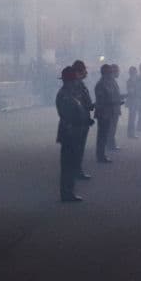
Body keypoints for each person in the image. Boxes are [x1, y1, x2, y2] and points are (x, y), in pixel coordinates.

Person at [56, 66, 91, 202]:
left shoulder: (70, 93)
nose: (77, 82)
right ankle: (66, 192)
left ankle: (69, 191)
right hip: (69, 132)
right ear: (70, 81)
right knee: (68, 165)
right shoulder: (65, 95)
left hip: (74, 130)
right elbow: (68, 115)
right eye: (75, 80)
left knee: (70, 163)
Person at [70, 60, 94, 179]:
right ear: (80, 71)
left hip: (83, 119)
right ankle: (76, 171)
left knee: (79, 148)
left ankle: (77, 170)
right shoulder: (76, 85)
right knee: (77, 148)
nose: (87, 72)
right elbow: (78, 104)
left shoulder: (79, 84)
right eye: (85, 70)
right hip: (79, 121)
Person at [93, 64, 118, 164]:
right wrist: (113, 102)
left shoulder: (106, 83)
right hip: (103, 112)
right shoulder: (101, 84)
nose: (112, 74)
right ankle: (100, 155)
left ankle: (102, 154)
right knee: (102, 136)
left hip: (107, 111)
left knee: (104, 134)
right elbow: (102, 100)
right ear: (106, 73)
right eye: (110, 72)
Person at [108, 64, 123, 151]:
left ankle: (111, 144)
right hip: (112, 109)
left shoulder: (112, 81)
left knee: (112, 128)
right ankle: (110, 145)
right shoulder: (110, 82)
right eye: (118, 71)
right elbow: (111, 96)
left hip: (114, 107)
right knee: (111, 128)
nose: (119, 73)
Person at [125, 65, 140, 138]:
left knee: (132, 118)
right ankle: (131, 133)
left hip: (134, 100)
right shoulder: (131, 81)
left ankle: (131, 133)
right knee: (132, 118)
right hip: (132, 101)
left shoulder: (133, 80)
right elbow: (131, 92)